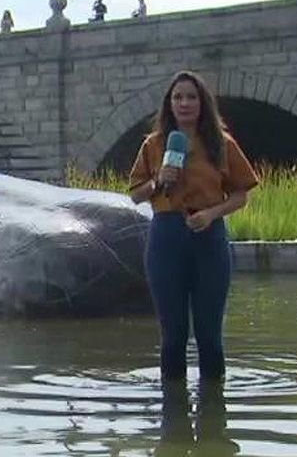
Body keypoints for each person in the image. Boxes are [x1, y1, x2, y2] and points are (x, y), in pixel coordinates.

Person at [128, 70, 259, 384]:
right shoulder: (154, 144)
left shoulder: (221, 144)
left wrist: (212, 214)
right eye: (177, 97)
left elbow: (241, 195)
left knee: (209, 335)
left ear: (203, 103)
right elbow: (135, 194)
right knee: (173, 336)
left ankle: (214, 415)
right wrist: (159, 180)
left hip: (208, 238)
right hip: (166, 239)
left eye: (191, 97)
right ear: (169, 104)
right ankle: (173, 419)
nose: (184, 103)